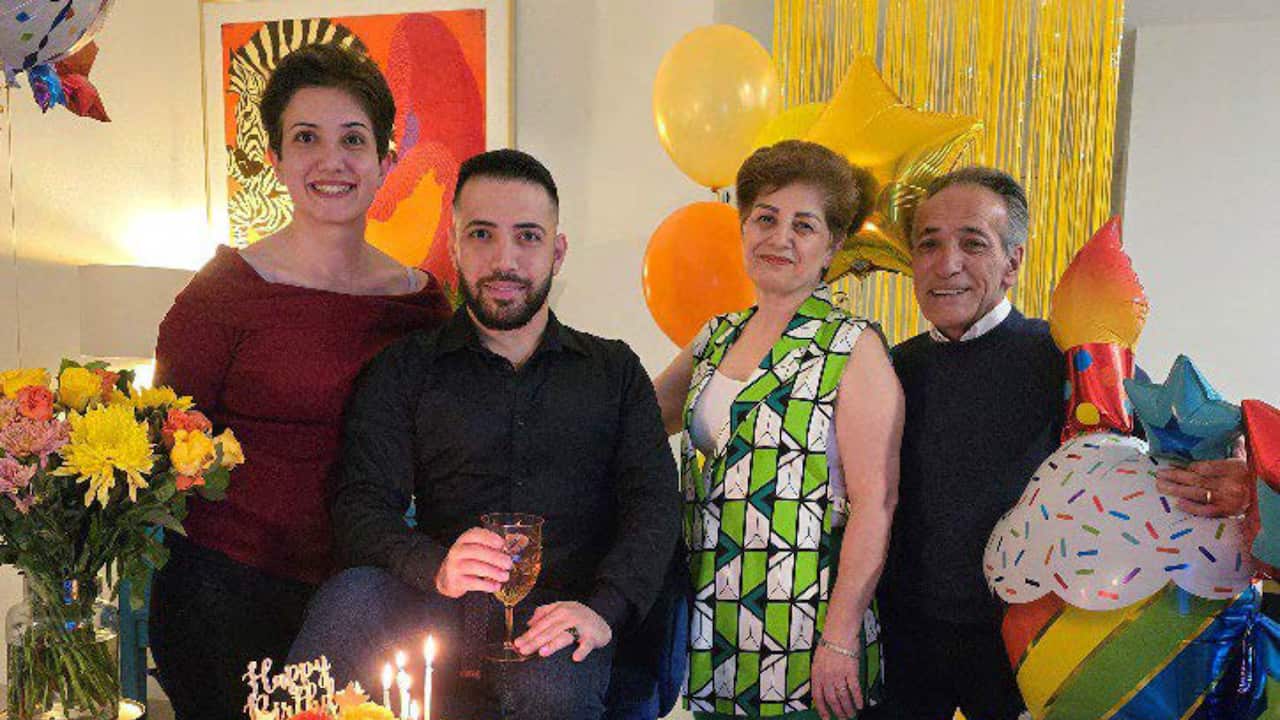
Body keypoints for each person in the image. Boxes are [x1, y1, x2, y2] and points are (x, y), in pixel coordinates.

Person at [287, 149, 681, 720]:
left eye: (527, 236)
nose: (505, 260)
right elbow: (360, 507)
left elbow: (654, 508)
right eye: (481, 235)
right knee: (349, 603)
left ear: (557, 250)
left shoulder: (614, 373)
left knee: (551, 689)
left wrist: (603, 609)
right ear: (453, 245)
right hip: (435, 601)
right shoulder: (404, 370)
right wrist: (435, 566)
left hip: (556, 615)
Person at [871, 166, 1255, 720]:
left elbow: (1168, 445)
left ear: (1013, 262)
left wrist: (1232, 468)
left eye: (972, 243)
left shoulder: (1070, 359)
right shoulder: (887, 368)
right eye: (929, 243)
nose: (946, 263)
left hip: (1028, 634)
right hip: (905, 634)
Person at [149, 44, 452, 720]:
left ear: (384, 161)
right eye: (305, 138)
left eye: (353, 139)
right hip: (223, 593)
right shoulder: (222, 295)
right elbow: (165, 451)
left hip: (363, 601)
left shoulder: (423, 305)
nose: (331, 160)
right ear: (277, 160)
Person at [653, 140, 905, 720]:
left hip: (806, 631)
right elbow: (634, 421)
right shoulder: (715, 338)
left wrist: (839, 639)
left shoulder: (851, 346)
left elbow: (876, 503)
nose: (780, 238)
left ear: (831, 247)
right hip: (710, 626)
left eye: (804, 225)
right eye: (765, 218)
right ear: (742, 229)